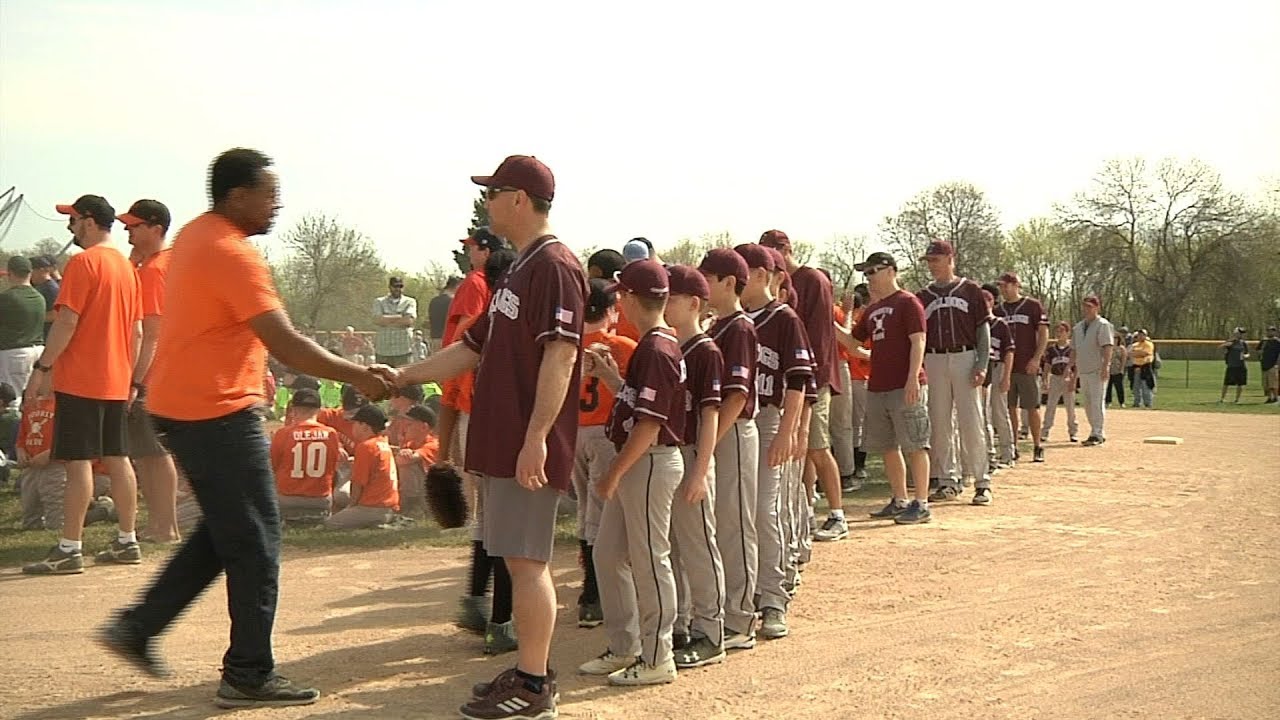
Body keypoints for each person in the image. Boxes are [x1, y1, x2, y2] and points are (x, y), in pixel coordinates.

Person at [96, 148, 391, 709]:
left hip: (184, 405)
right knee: (256, 540)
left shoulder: (197, 234)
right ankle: (248, 672)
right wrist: (360, 376)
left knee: (229, 530)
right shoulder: (232, 253)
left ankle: (140, 625)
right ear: (237, 197)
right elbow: (285, 342)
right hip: (216, 411)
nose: (276, 202)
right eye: (267, 193)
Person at [393, 154, 584, 720]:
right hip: (502, 440)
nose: (487, 201)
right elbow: (468, 348)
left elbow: (563, 353)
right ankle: (532, 667)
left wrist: (539, 437)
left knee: (527, 562)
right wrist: (402, 376)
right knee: (513, 559)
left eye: (494, 191)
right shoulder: (521, 269)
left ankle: (535, 685)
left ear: (519, 199)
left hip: (525, 441)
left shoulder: (554, 265)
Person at [577, 258, 686, 686]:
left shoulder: (658, 347)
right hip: (641, 460)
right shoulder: (649, 344)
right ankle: (625, 647)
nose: (617, 302)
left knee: (649, 559)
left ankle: (659, 656)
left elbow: (650, 423)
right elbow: (637, 401)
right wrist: (608, 375)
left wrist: (614, 473)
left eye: (622, 294)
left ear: (630, 299)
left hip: (650, 461)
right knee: (608, 555)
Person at [22, 194, 143, 575]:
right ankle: (128, 539)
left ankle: (70, 547)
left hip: (82, 379)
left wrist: (43, 368)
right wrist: (131, 378)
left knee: (78, 465)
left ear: (89, 222)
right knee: (118, 459)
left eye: (73, 221)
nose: (70, 228)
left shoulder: (83, 262)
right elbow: (137, 332)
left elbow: (67, 322)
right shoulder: (127, 268)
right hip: (116, 378)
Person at [736, 243, 812, 639]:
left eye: (742, 273)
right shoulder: (727, 319)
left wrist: (789, 430)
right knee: (738, 514)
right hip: (737, 424)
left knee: (766, 511)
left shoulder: (784, 318)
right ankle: (744, 594)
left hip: (769, 418)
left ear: (762, 276)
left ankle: (773, 598)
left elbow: (799, 380)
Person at [758, 230, 848, 543]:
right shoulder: (778, 283)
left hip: (813, 376)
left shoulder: (813, 279)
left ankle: (837, 513)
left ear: (787, 250)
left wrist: (813, 380)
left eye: (774, 252)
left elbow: (821, 335)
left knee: (818, 446)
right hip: (788, 378)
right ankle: (805, 508)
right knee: (801, 453)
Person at [662, 264, 727, 670]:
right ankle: (684, 624)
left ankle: (712, 632)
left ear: (694, 303)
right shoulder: (669, 346)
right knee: (676, 549)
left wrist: (700, 470)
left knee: (699, 547)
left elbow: (710, 415)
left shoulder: (705, 350)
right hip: (671, 454)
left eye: (672, 297)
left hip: (692, 455)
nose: (665, 304)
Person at [837, 252, 932, 524]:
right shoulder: (872, 310)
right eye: (865, 274)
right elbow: (853, 343)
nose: (868, 279)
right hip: (878, 385)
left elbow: (918, 341)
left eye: (872, 272)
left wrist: (913, 376)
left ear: (890, 271)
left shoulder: (908, 302)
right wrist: (825, 320)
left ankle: (922, 502)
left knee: (915, 444)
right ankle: (900, 498)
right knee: (887, 446)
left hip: (905, 385)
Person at [697, 247, 761, 652]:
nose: (703, 283)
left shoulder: (739, 327)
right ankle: (723, 611)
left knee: (736, 526)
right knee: (718, 528)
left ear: (728, 283)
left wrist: (708, 447)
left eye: (709, 277)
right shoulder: (718, 325)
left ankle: (740, 618)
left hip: (733, 431)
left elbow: (737, 396)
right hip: (718, 432)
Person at [572, 279, 637, 629]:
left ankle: (590, 595)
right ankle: (594, 595)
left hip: (573, 435)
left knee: (585, 510)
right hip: (605, 435)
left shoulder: (567, 346)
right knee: (602, 514)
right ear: (610, 310)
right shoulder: (622, 344)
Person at [119, 199, 183, 544]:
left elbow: (152, 332)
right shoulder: (160, 264)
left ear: (155, 229)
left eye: (135, 225)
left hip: (152, 374)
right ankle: (162, 524)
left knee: (152, 454)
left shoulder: (156, 270)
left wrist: (137, 381)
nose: (128, 230)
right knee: (146, 453)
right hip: (164, 371)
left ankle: (165, 526)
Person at [914, 240, 991, 502]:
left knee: (971, 421)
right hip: (934, 359)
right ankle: (948, 479)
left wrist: (982, 364)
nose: (932, 265)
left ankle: (982, 481)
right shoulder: (922, 296)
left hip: (965, 355)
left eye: (936, 259)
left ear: (950, 258)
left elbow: (983, 330)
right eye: (929, 261)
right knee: (940, 422)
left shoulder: (970, 290)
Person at [994, 272, 1049, 463]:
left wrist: (1036, 359)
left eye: (1006, 285)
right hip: (1006, 366)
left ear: (1016, 285)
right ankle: (1014, 446)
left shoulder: (1032, 306)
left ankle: (1037, 445)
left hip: (1026, 364)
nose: (1003, 289)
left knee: (1032, 407)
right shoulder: (998, 310)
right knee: (1010, 408)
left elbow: (1043, 334)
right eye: (1001, 286)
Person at [270, 389, 340, 521]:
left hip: (287, 500)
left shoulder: (283, 434)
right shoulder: (331, 434)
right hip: (320, 500)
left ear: (294, 410)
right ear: (319, 411)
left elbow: (274, 466)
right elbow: (333, 467)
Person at [325, 404, 399, 529]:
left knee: (330, 524)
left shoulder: (366, 446)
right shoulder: (381, 442)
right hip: (388, 506)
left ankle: (377, 524)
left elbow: (358, 484)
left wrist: (351, 507)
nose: (352, 427)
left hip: (373, 508)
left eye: (355, 423)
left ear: (365, 426)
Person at [981, 285, 1016, 478]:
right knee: (984, 414)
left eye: (986, 301)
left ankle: (1007, 454)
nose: (983, 305)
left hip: (998, 367)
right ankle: (989, 455)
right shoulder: (976, 325)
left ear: (992, 303)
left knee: (1000, 412)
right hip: (982, 369)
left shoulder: (1000, 324)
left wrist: (1006, 377)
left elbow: (1009, 352)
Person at [0, 255, 45, 402]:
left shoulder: (7, 297)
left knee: (12, 401)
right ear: (30, 273)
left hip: (14, 353)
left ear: (10, 273)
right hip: (38, 351)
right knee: (31, 400)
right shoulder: (39, 297)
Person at [1071, 295, 1114, 446]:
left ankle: (1098, 432)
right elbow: (1074, 350)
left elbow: (1107, 347)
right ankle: (1094, 430)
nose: (1087, 309)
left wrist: (1106, 366)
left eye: (1090, 306)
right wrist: (1072, 369)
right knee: (1087, 403)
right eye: (1085, 306)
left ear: (1097, 308)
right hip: (1083, 369)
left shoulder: (1102, 325)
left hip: (1097, 369)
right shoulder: (1077, 327)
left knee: (1097, 402)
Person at [1041, 322, 1079, 443]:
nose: (1059, 333)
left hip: (1068, 378)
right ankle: (1045, 431)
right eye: (1057, 331)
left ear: (1068, 333)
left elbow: (1076, 366)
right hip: (1055, 378)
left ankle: (1073, 432)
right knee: (1050, 406)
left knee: (1070, 407)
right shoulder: (1051, 349)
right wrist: (1045, 379)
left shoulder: (1072, 349)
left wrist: (1074, 381)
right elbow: (1047, 365)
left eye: (1062, 331)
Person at [372, 276, 417, 367]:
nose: (398, 289)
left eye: (400, 286)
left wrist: (386, 318)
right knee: (382, 379)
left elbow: (408, 321)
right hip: (383, 350)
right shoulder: (379, 302)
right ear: (389, 287)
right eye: (395, 286)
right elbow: (378, 320)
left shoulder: (410, 302)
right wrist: (400, 316)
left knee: (404, 379)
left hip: (403, 350)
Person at [29, 254, 61, 340]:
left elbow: (55, 314)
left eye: (31, 271)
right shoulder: (38, 286)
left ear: (41, 270)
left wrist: (29, 318)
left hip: (48, 336)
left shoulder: (51, 289)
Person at [427, 276, 461, 353]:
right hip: (449, 339)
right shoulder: (454, 302)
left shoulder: (434, 301)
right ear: (456, 286)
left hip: (435, 340)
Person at [1219, 327, 1250, 404]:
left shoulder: (1244, 343)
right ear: (1236, 333)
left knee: (1240, 384)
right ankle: (1222, 399)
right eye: (1240, 333)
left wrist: (1246, 356)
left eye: (1242, 333)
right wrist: (1227, 345)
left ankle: (1237, 400)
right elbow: (1221, 347)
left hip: (1241, 365)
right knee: (1226, 383)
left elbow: (1247, 353)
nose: (1241, 335)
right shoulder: (1231, 341)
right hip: (1232, 365)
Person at [1130, 329, 1156, 408]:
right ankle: (1136, 403)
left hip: (1145, 367)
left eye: (1142, 335)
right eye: (1139, 335)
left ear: (1145, 336)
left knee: (1146, 386)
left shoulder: (1149, 344)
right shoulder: (1135, 345)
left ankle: (1148, 403)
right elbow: (1131, 354)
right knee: (1136, 387)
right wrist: (1139, 354)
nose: (1140, 336)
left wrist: (1137, 354)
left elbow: (1145, 353)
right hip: (1136, 367)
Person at [1106, 327, 1129, 407]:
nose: (1114, 339)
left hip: (1118, 369)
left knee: (1119, 387)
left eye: (1116, 338)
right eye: (1113, 337)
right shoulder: (1108, 347)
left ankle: (1121, 402)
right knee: (1108, 386)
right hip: (1109, 369)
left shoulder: (1121, 348)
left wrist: (1122, 369)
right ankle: (1108, 401)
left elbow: (1123, 359)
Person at [1260, 326, 1280, 404]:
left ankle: (1275, 398)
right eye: (1268, 331)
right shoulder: (1264, 341)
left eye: (1271, 331)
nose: (1269, 332)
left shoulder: (1277, 341)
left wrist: (1278, 364)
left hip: (1273, 364)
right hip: (1264, 365)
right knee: (1266, 384)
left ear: (1275, 332)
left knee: (1273, 383)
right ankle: (1269, 398)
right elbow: (1259, 350)